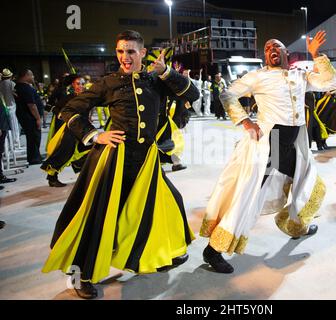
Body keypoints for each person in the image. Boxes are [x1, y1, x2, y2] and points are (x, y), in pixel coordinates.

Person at [42, 30, 199, 299]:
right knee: (100, 217)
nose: (125, 57)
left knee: (165, 204)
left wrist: (166, 73)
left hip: (146, 161)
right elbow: (69, 110)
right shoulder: (108, 83)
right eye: (120, 51)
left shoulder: (157, 80)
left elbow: (192, 94)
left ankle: (159, 253)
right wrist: (94, 135)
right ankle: (82, 275)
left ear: (141, 52)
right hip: (115, 159)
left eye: (130, 51)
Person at [200, 31, 336, 273]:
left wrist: (316, 55)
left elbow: (331, 83)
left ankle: (297, 226)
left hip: (294, 144)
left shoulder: (300, 74)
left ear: (286, 53)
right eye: (267, 48)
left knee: (306, 183)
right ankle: (213, 250)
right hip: (270, 143)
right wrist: (245, 121)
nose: (271, 49)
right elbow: (227, 94)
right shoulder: (257, 77)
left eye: (276, 46)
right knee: (250, 194)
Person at [41, 74, 90, 187]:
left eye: (82, 84)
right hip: (71, 130)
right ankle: (52, 178)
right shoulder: (68, 98)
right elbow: (52, 107)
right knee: (64, 153)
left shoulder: (87, 96)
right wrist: (61, 115)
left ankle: (84, 176)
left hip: (84, 129)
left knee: (87, 151)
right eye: (78, 83)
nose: (81, 86)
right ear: (73, 84)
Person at [14, 69, 43, 165]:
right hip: (30, 118)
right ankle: (34, 158)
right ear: (26, 75)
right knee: (34, 137)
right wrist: (38, 118)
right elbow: (31, 105)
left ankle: (35, 156)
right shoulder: (25, 88)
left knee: (32, 137)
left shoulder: (19, 87)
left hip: (26, 117)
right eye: (32, 75)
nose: (33, 77)